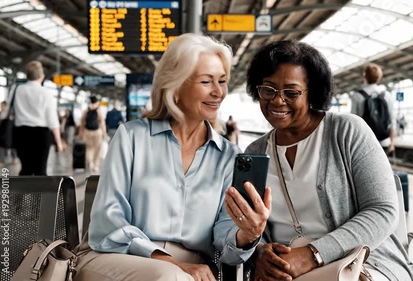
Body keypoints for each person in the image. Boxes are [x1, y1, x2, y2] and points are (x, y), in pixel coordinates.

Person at [73, 33, 271, 281]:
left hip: (191, 272)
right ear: (175, 86)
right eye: (206, 81)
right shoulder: (131, 137)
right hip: (119, 258)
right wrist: (171, 263)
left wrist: (247, 234)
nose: (218, 92)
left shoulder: (228, 156)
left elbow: (226, 246)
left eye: (222, 81)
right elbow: (108, 222)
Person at [245, 40, 413, 281]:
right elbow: (250, 224)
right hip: (287, 271)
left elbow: (383, 211)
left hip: (360, 263)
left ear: (312, 91)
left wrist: (312, 255)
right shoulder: (255, 151)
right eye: (268, 90)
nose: (277, 101)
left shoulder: (347, 131)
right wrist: (261, 251)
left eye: (291, 92)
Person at [12, 61, 63, 175]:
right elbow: (52, 119)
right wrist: (58, 142)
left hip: (21, 133)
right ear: (41, 75)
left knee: (26, 169)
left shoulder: (19, 90)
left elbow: (13, 111)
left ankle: (24, 192)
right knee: (40, 170)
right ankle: (39, 193)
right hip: (40, 134)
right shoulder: (45, 92)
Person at [351, 63, 395, 155]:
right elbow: (392, 120)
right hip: (384, 141)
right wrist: (392, 143)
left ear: (365, 77)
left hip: (365, 143)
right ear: (379, 78)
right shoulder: (387, 95)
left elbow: (354, 123)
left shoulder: (357, 96)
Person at [79, 96, 106, 172]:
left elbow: (82, 121)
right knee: (97, 149)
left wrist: (81, 132)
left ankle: (90, 162)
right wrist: (104, 133)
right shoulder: (99, 110)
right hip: (97, 132)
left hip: (87, 131)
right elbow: (102, 123)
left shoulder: (86, 110)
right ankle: (95, 165)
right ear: (97, 102)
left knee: (89, 148)